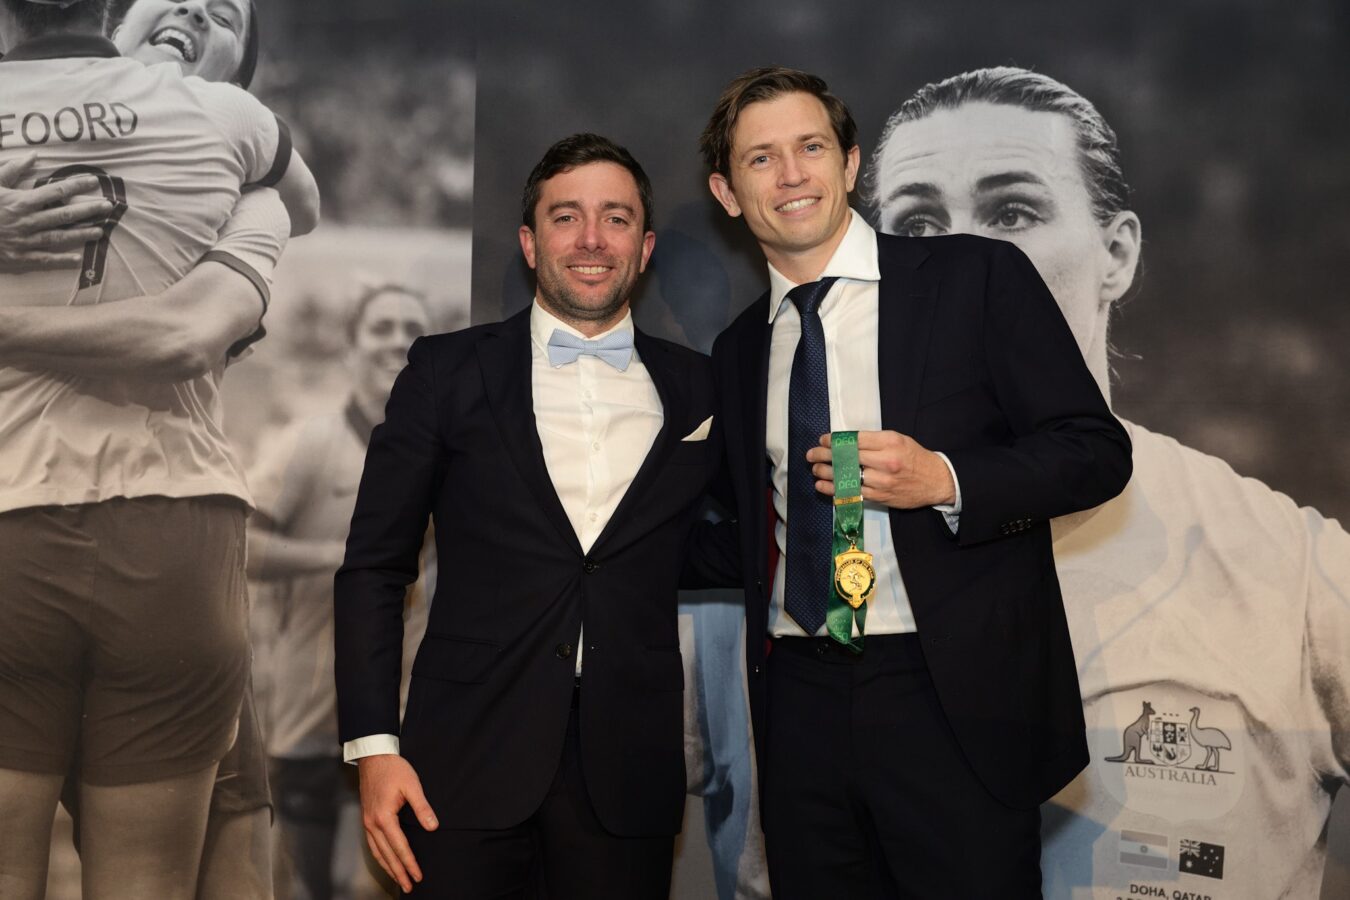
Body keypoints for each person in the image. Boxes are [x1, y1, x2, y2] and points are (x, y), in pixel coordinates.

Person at [867, 65, 1350, 900]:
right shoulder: (773, 560)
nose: (960, 257)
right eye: (916, 223)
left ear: (1116, 254)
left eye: (1012, 212)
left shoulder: (1296, 573)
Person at [696, 66, 1131, 898]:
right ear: (726, 192)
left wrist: (946, 478)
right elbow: (745, 530)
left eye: (810, 147)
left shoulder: (975, 278)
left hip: (950, 694)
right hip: (799, 694)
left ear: (850, 163)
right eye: (760, 158)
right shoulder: (740, 349)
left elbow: (1094, 450)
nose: (790, 175)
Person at [335, 132, 720, 899]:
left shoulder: (703, 388)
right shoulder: (446, 371)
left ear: (644, 248)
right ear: (529, 242)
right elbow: (375, 568)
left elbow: (721, 545)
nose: (591, 239)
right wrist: (374, 749)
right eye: (566, 216)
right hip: (460, 762)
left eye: (615, 218)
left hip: (627, 772)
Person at [0, 0, 317, 896]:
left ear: (243, 67)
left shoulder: (241, 173)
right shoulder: (243, 154)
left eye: (223, 14)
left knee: (227, 853)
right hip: (172, 540)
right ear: (114, 12)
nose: (189, 14)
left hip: (95, 528)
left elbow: (183, 335)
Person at [249, 283, 433, 900]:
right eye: (381, 326)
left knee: (382, 886)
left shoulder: (454, 452)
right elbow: (242, 546)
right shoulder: (307, 442)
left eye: (412, 329)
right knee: (310, 888)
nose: (396, 340)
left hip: (408, 721)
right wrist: (349, 564)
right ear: (351, 346)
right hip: (309, 715)